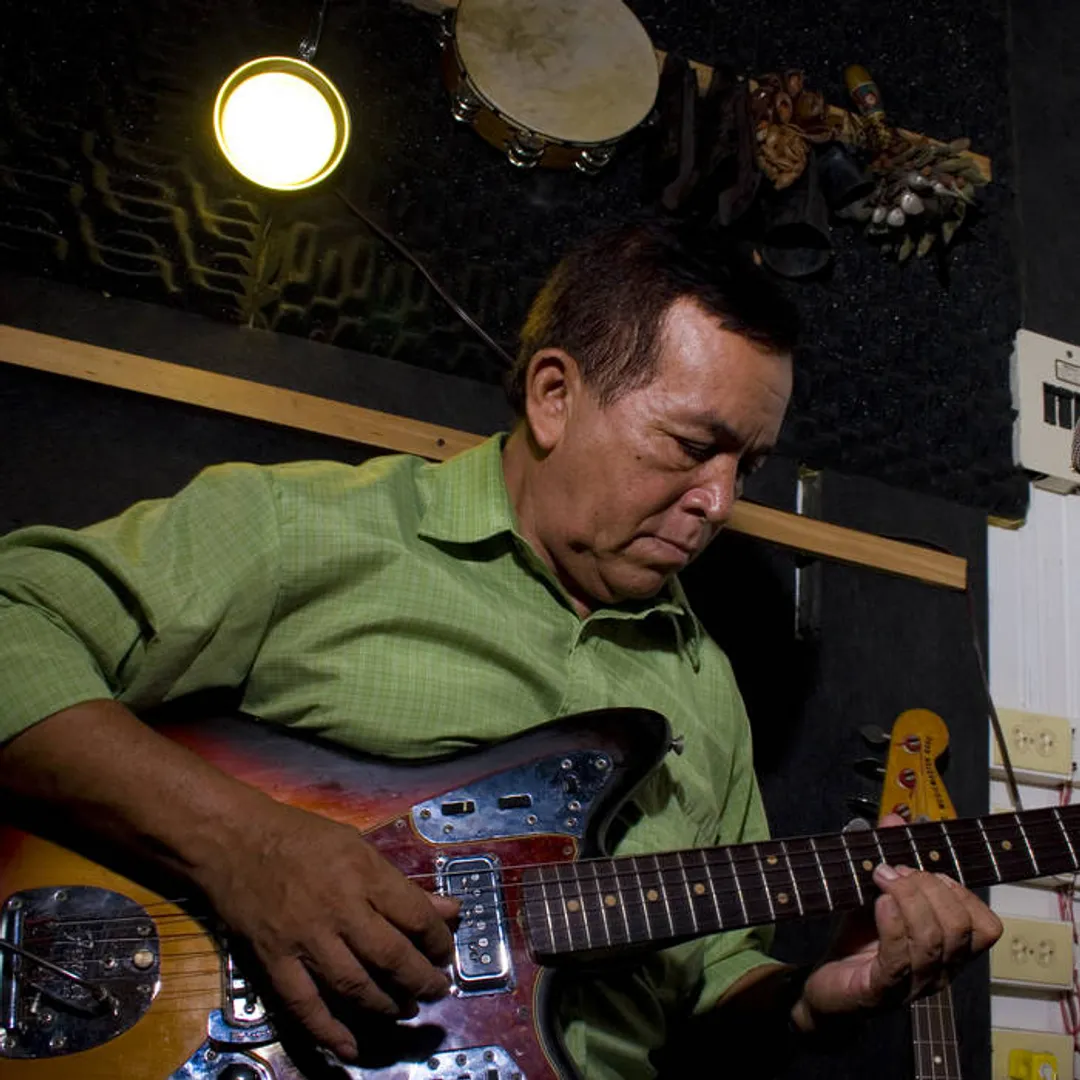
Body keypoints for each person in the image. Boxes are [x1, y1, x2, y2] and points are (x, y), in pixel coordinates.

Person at [0, 221, 1000, 1079]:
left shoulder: (709, 693)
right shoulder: (307, 529)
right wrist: (245, 847)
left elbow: (709, 994)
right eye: (694, 446)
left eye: (750, 466)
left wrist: (822, 998)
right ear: (555, 395)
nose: (720, 502)